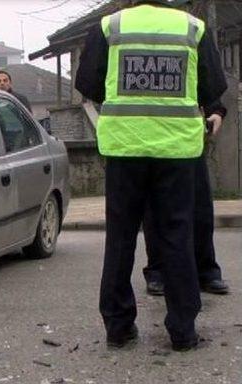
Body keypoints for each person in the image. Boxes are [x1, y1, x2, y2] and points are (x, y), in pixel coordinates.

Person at [75, 0, 228, 351]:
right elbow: (211, 89)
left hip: (125, 148)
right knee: (177, 236)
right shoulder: (192, 28)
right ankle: (183, 330)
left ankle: (118, 327)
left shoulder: (110, 26)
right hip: (176, 152)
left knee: (120, 237)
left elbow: (89, 83)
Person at [143, 101, 229, 296]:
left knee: (200, 209)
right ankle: (158, 271)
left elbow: (206, 75)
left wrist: (216, 110)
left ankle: (206, 270)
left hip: (187, 136)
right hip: (148, 135)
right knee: (155, 208)